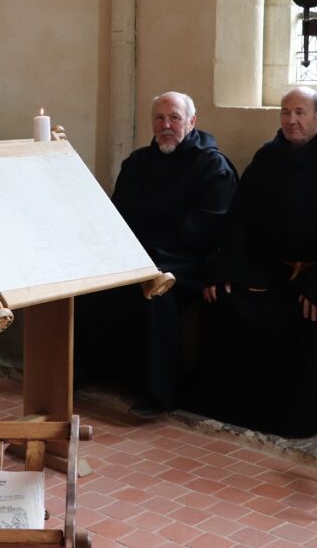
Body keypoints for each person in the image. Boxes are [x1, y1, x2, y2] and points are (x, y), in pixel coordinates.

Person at [197, 86, 317, 437]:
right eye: (285, 112)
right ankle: (235, 407)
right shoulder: (268, 158)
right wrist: (227, 270)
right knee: (225, 305)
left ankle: (297, 420)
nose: (291, 120)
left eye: (300, 113)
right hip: (273, 269)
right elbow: (241, 219)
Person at [76, 91, 238, 418]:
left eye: (175, 118)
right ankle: (92, 370)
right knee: (89, 288)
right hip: (138, 256)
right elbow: (117, 217)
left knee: (156, 295)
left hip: (186, 262)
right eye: (160, 119)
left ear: (191, 122)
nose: (166, 126)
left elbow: (206, 229)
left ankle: (158, 392)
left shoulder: (212, 166)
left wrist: (151, 257)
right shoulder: (137, 163)